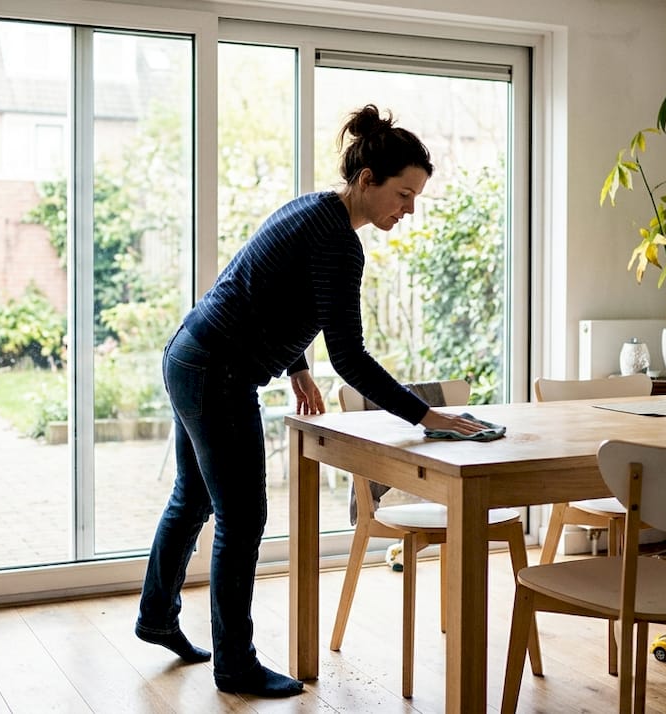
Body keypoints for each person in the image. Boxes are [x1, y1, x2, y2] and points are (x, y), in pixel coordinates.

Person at [134, 104, 490, 698]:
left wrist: (296, 366)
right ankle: (235, 665)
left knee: (193, 497)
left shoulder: (313, 210)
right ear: (368, 180)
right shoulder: (338, 244)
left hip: (190, 353)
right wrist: (428, 416)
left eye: (416, 198)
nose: (408, 211)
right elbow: (350, 357)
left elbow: (266, 289)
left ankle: (156, 616)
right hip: (217, 371)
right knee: (242, 516)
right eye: (404, 194)